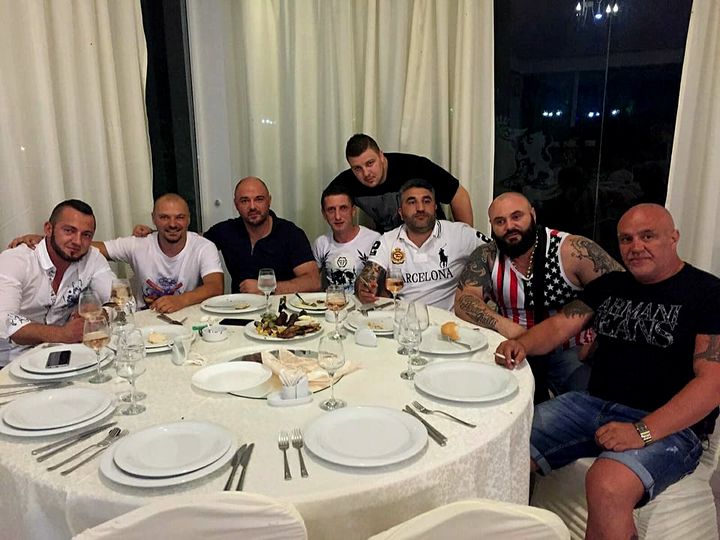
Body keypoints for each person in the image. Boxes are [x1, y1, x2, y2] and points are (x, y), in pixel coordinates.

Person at [495, 204, 720, 540]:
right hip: (591, 404)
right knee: (504, 442)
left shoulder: (708, 293)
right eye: (626, 239)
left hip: (670, 426)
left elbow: (713, 383)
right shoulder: (611, 284)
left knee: (607, 483)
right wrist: (522, 344)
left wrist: (642, 431)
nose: (636, 246)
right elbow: (559, 326)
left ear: (673, 238)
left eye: (648, 236)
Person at [454, 191, 623, 401]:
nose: (509, 227)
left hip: (569, 349)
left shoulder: (572, 250)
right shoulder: (487, 255)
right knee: (484, 398)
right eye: (500, 221)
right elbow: (464, 300)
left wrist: (600, 341)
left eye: (517, 216)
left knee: (594, 403)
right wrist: (511, 329)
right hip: (513, 347)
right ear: (491, 225)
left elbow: (622, 289)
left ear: (533, 215)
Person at [11, 194, 225, 314]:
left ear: (188, 219)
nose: (172, 224)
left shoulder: (203, 246)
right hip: (144, 319)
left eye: (179, 217)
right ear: (153, 218)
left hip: (186, 317)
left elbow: (215, 287)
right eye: (164, 217)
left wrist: (180, 301)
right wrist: (48, 240)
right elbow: (92, 246)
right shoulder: (138, 244)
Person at [0, 200, 115, 366]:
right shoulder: (15, 260)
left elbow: (120, 301)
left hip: (65, 355)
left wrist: (102, 313)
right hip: (10, 362)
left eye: (86, 235)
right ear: (49, 229)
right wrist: (61, 334)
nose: (77, 241)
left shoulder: (93, 258)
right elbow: (5, 319)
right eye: (69, 230)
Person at [356, 179, 488, 310]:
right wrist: (364, 288)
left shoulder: (460, 234)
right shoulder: (387, 240)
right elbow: (367, 275)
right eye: (412, 202)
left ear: (435, 207)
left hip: (449, 319)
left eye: (426, 201)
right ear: (400, 212)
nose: (420, 208)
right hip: (406, 317)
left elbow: (494, 251)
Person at [327, 133, 474, 232]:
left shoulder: (415, 167)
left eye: (370, 163)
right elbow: (328, 204)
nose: (366, 173)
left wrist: (464, 240)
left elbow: (458, 194)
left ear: (381, 156)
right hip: (391, 248)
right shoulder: (346, 182)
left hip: (433, 238)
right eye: (357, 168)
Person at [204, 177, 321, 294]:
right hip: (239, 304)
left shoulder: (291, 234)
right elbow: (196, 244)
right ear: (236, 205)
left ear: (269, 201)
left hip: (280, 304)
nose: (252, 207)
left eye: (259, 199)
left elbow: (313, 282)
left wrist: (267, 287)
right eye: (244, 201)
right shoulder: (225, 231)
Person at [312, 184, 381, 292]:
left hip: (365, 301)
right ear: (324, 214)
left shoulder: (374, 239)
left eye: (343, 208)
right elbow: (313, 282)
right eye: (331, 210)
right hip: (334, 301)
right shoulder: (321, 243)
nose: (337, 216)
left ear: (353, 211)